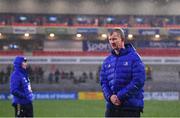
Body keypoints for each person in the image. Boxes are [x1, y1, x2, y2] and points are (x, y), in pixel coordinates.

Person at [100, 28, 145, 117]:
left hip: (130, 108)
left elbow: (138, 80)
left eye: (115, 39)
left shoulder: (134, 58)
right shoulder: (107, 61)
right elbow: (103, 82)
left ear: (122, 40)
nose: (112, 42)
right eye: (110, 39)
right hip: (112, 108)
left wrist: (120, 96)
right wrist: (110, 97)